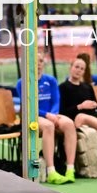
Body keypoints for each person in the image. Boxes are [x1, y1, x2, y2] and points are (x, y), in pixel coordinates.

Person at [20, 53, 77, 185]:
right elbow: (28, 105)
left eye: (41, 61)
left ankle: (70, 169)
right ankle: (51, 171)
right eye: (35, 61)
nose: (38, 63)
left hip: (51, 114)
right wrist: (47, 115)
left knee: (69, 123)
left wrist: (53, 114)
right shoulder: (23, 82)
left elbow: (56, 100)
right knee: (48, 126)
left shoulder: (51, 80)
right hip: (33, 116)